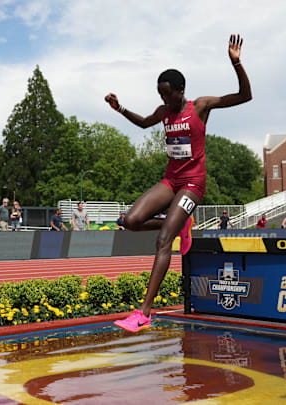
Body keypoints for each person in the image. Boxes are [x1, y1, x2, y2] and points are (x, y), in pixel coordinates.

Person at [105, 34, 252, 332]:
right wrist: (120, 109)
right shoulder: (163, 113)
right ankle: (177, 223)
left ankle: (145, 312)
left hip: (192, 184)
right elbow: (145, 122)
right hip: (171, 180)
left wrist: (237, 64)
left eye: (167, 95)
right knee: (131, 221)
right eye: (160, 95)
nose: (163, 100)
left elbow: (244, 96)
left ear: (180, 91)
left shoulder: (201, 106)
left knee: (162, 242)